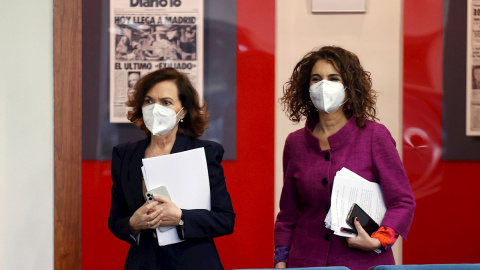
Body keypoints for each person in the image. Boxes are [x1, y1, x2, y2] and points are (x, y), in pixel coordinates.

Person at [273, 46, 415, 270]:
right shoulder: (295, 143)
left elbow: (402, 202)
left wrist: (380, 239)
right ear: (306, 87)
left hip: (363, 263)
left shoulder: (374, 136)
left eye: (334, 78)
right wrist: (280, 259)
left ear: (349, 87)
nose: (323, 85)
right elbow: (288, 213)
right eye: (316, 79)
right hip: (305, 263)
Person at [108, 68, 235, 269]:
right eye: (149, 101)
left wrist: (181, 218)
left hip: (194, 263)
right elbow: (115, 220)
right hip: (143, 263)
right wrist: (133, 223)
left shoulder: (205, 153)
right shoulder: (124, 155)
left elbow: (225, 220)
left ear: (182, 111)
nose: (155, 108)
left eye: (166, 102)